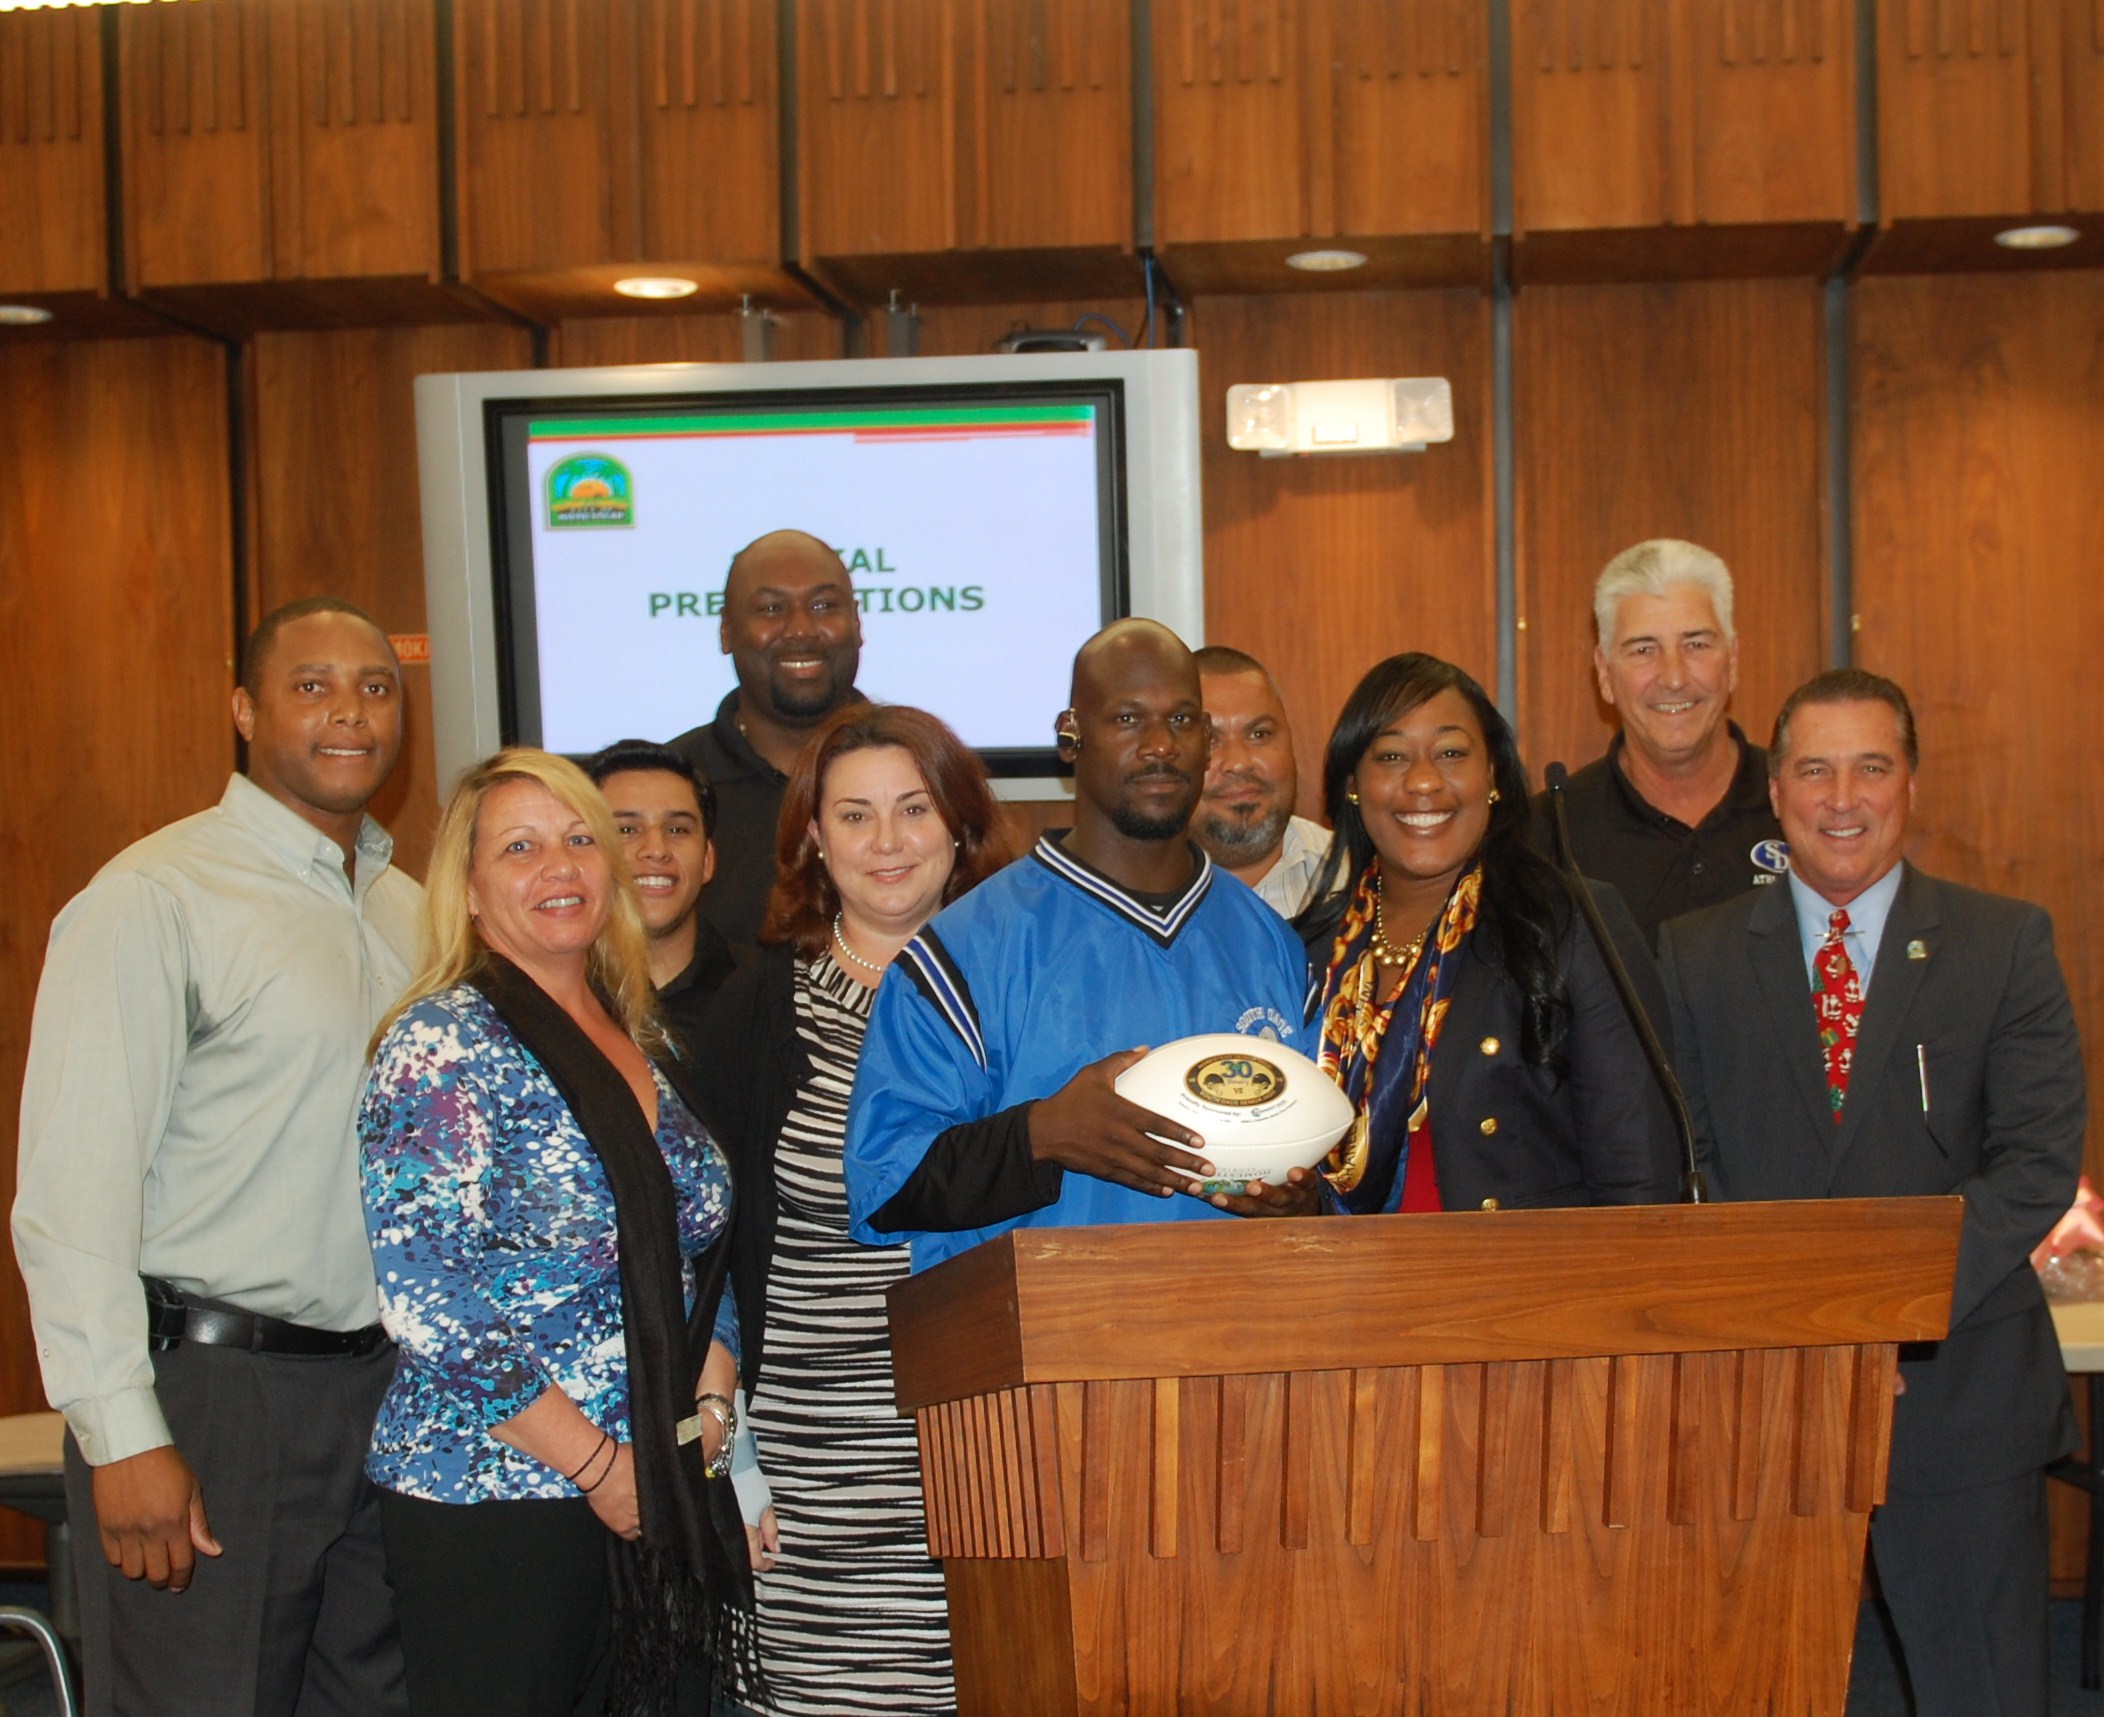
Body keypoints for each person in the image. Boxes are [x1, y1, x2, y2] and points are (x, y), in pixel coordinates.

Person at [13, 598, 418, 1717]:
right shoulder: (155, 896)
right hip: (215, 1398)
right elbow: (69, 1193)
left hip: (382, 1396)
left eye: (376, 687)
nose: (349, 712)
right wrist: (124, 1432)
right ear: (243, 710)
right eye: (312, 685)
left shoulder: (412, 911)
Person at [1659, 669, 2084, 1717]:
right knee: (1769, 1686)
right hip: (1763, 1403)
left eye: (1871, 766)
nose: (1841, 795)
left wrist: (1878, 1320)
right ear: (1775, 787)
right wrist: (1807, 1330)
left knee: (1975, 1691)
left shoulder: (2004, 942)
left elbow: (2032, 1162)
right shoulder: (1693, 955)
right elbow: (1685, 1165)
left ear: (1911, 783)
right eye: (1814, 767)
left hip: (1961, 1397)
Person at [360, 748, 752, 1715]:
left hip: (655, 1488)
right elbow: (428, 1297)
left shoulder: (635, 1032)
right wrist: (598, 1464)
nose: (561, 866)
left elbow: (696, 1242)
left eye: (582, 838)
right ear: (471, 888)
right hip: (499, 1498)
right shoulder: (443, 1043)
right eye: (522, 846)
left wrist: (714, 1397)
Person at [693, 704, 1012, 1716]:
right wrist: (725, 1447)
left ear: (960, 826)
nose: (887, 842)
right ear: (812, 840)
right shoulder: (760, 1010)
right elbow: (708, 1242)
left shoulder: (1016, 993)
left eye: (914, 808)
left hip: (999, 1442)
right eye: (855, 814)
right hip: (818, 1457)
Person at [844, 618, 1319, 1275]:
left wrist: (1303, 1199)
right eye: (1128, 718)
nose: (1159, 746)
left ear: (1206, 742)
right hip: (1043, 1362)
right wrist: (1042, 1134)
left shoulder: (1275, 949)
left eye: (1182, 720)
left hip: (1238, 1353)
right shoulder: (966, 947)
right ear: (1072, 735)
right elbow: (885, 1183)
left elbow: (1333, 1166)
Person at [1300, 654, 1681, 1213]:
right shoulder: (1308, 948)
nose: (1424, 780)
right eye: (1391, 756)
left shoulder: (1566, 922)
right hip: (1343, 1288)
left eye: (1452, 753)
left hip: (1523, 1289)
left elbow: (1638, 1176)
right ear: (1353, 784)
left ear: (1494, 776)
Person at [1533, 539, 1786, 948]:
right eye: (1643, 649)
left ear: (1733, 661)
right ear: (1604, 673)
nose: (1673, 676)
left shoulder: (1806, 805)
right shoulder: (1548, 834)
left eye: (1696, 645)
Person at [670, 531, 864, 944]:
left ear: (857, 623)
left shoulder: (924, 774)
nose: (800, 629)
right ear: (726, 631)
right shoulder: (674, 787)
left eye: (823, 606)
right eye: (771, 608)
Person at [587, 738, 750, 1053]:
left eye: (677, 830)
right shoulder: (553, 997)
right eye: (626, 830)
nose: (656, 850)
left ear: (707, 860)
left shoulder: (765, 992)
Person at [1192, 644, 1334, 918]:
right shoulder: (1123, 894)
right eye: (1209, 739)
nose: (1238, 763)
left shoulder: (1360, 879)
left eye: (1259, 734)